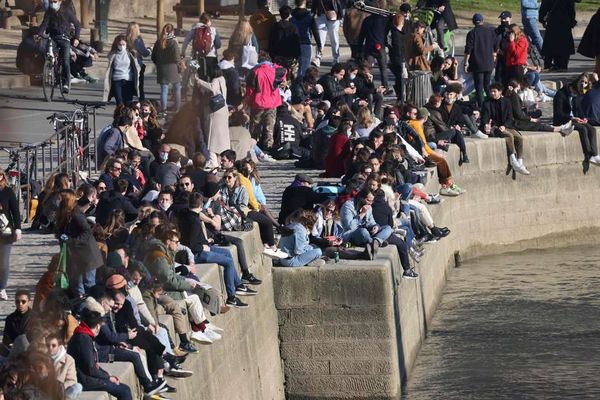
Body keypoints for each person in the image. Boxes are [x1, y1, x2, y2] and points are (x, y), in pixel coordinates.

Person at [67, 309, 133, 400]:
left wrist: (107, 375)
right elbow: (90, 368)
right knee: (124, 390)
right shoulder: (83, 339)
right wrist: (108, 378)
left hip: (86, 376)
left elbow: (92, 364)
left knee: (124, 389)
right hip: (85, 380)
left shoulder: (82, 335)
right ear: (98, 326)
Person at [56, 191, 103, 297]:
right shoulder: (65, 214)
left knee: (88, 285)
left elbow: (87, 232)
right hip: (76, 257)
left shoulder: (76, 215)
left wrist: (72, 241)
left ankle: (91, 309)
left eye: (60, 199)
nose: (58, 201)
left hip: (87, 255)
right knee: (77, 286)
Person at [480, 83, 530, 175]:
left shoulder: (506, 102)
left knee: (519, 137)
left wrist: (505, 125)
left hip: (506, 126)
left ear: (500, 92)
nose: (492, 93)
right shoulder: (486, 102)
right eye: (491, 91)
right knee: (509, 136)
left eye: (494, 91)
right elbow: (484, 117)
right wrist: (486, 125)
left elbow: (510, 117)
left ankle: (520, 161)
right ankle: (513, 160)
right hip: (494, 127)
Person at [553, 75, 600, 173]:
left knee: (591, 129)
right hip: (563, 120)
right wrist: (572, 118)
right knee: (582, 129)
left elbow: (579, 110)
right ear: (573, 88)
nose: (577, 95)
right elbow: (558, 113)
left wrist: (584, 119)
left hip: (574, 119)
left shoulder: (576, 95)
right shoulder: (560, 94)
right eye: (582, 82)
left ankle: (595, 155)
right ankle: (588, 154)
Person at [36, 0, 81, 94]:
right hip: (53, 37)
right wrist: (38, 34)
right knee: (48, 54)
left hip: (65, 39)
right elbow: (44, 24)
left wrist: (76, 38)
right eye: (51, 1)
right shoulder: (49, 11)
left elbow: (77, 24)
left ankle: (66, 83)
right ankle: (50, 71)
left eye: (55, 1)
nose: (53, 3)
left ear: (60, 2)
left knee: (65, 60)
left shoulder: (67, 11)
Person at [245, 53, 284, 150]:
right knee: (269, 127)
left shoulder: (254, 71)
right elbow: (284, 71)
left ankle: (252, 146)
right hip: (272, 103)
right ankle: (268, 147)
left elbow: (250, 90)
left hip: (258, 103)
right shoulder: (276, 70)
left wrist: (247, 103)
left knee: (254, 127)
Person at [340, 189, 393, 258]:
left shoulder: (369, 206)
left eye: (372, 201)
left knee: (387, 228)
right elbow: (349, 226)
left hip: (367, 234)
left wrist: (375, 226)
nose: (370, 203)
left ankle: (376, 241)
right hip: (351, 234)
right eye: (368, 200)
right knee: (363, 231)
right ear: (361, 198)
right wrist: (362, 214)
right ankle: (375, 242)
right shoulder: (348, 206)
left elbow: (371, 222)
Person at [194, 68, 231, 166]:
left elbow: (212, 88)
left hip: (215, 113)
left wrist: (199, 81)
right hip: (223, 111)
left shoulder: (216, 80)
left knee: (211, 139)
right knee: (221, 139)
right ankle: (220, 161)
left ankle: (213, 161)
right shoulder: (223, 80)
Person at [464, 14, 498, 107]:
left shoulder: (472, 33)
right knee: (487, 85)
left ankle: (482, 107)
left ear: (473, 22)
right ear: (482, 21)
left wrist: (466, 63)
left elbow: (468, 50)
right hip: (489, 63)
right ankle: (492, 103)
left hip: (477, 64)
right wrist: (494, 55)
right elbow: (496, 46)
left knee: (479, 86)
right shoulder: (490, 32)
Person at [358, 0, 391, 89]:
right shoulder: (384, 19)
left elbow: (361, 36)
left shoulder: (366, 20)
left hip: (369, 47)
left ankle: (369, 87)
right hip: (380, 47)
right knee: (383, 69)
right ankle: (386, 87)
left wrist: (359, 49)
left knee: (367, 69)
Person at [0, 169, 22, 301]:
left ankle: (2, 287)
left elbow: (15, 212)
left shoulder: (8, 192)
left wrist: (18, 229)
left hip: (5, 232)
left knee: (3, 262)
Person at [539, 0, 578, 71]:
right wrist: (571, 21)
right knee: (564, 44)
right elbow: (572, 10)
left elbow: (543, 9)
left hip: (552, 23)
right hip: (565, 23)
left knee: (551, 44)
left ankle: (550, 65)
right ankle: (562, 65)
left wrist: (542, 20)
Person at [152, 23, 181, 115]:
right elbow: (177, 58)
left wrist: (159, 64)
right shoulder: (173, 42)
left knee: (164, 89)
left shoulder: (158, 42)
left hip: (162, 68)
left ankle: (163, 110)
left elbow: (153, 57)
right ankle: (177, 108)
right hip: (173, 68)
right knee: (177, 88)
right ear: (172, 31)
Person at [182, 13, 222, 79]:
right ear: (208, 21)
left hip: (196, 56)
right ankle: (210, 88)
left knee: (198, 75)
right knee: (213, 75)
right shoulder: (214, 30)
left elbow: (186, 41)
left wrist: (183, 52)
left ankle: (198, 87)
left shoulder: (194, 29)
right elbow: (218, 45)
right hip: (211, 57)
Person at [103, 34, 140, 105]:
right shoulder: (113, 54)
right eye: (120, 44)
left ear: (126, 44)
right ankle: (120, 115)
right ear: (117, 44)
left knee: (128, 102)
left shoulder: (130, 54)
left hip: (129, 80)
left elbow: (136, 67)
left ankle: (127, 116)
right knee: (119, 103)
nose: (122, 46)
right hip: (116, 80)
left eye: (123, 44)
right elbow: (109, 67)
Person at [46, 332, 83, 399]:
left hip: (62, 391)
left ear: (59, 346)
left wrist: (59, 387)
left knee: (78, 387)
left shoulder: (68, 360)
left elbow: (72, 381)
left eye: (53, 345)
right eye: (48, 345)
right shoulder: (42, 358)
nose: (50, 348)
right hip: (45, 390)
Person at [292, 0, 321, 78]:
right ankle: (302, 85)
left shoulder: (291, 14)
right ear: (305, 2)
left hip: (294, 43)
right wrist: (319, 44)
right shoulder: (309, 15)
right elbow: (315, 31)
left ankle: (295, 84)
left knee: (295, 68)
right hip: (306, 43)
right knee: (305, 68)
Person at [269, 6, 301, 77]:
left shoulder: (275, 26)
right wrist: (297, 55)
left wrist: (272, 55)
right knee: (289, 76)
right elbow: (296, 42)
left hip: (277, 56)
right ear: (289, 15)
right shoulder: (293, 27)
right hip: (290, 57)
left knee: (277, 76)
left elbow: (271, 42)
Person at [311, 0, 343, 66]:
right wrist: (313, 13)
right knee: (320, 38)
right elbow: (315, 3)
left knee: (334, 38)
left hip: (334, 16)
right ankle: (318, 58)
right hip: (321, 15)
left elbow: (338, 3)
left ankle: (336, 58)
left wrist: (341, 16)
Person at [126, 22, 151, 100]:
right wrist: (149, 50)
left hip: (127, 64)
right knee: (140, 85)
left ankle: (128, 100)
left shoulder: (125, 39)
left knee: (129, 84)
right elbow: (144, 52)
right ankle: (141, 100)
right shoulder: (138, 39)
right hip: (137, 64)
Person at [389, 11, 408, 103]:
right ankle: (401, 97)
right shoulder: (397, 35)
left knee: (398, 78)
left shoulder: (394, 32)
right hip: (398, 60)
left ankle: (400, 97)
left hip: (394, 59)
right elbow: (399, 51)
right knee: (401, 78)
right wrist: (403, 63)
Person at [577, 7, 600, 75]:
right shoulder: (597, 17)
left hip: (597, 47)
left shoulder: (596, 17)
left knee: (598, 68)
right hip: (598, 47)